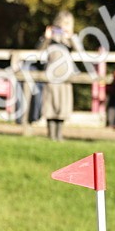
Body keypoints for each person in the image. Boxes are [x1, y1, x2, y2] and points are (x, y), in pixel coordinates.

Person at [40, 11, 75, 142]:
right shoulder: (50, 37)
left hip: (66, 77)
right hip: (51, 76)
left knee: (62, 105)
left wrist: (71, 37)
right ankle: (51, 135)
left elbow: (80, 51)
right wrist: (47, 38)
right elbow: (39, 51)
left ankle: (59, 135)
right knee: (50, 105)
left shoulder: (70, 39)